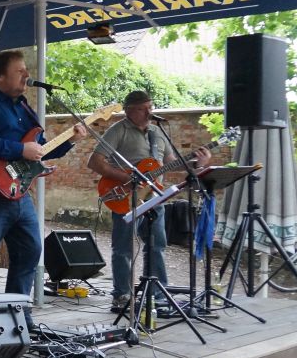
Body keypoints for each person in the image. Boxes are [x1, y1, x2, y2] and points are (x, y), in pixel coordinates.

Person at [0, 50, 87, 324]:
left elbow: (39, 150)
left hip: (19, 192)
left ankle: (16, 314)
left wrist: (71, 140)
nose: (27, 75)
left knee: (30, 249)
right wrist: (19, 149)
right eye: (20, 70)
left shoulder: (24, 108)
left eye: (26, 70)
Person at [87, 90, 211, 312]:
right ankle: (122, 295)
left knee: (157, 245)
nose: (149, 112)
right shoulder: (118, 130)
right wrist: (128, 178)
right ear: (129, 110)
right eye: (143, 109)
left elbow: (172, 162)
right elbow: (95, 162)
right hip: (126, 197)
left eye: (150, 107)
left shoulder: (157, 132)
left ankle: (158, 292)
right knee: (123, 248)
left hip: (156, 198)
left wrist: (197, 163)